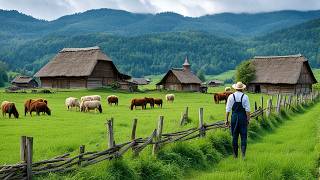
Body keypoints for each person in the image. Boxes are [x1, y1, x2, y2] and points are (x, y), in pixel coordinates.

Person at [225, 82, 251, 159]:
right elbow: (248, 110)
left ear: (235, 88)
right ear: (242, 89)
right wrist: (248, 120)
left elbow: (228, 109)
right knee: (243, 136)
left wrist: (226, 120)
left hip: (234, 117)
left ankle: (235, 156)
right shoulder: (245, 97)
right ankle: (243, 155)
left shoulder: (231, 96)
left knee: (234, 136)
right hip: (243, 118)